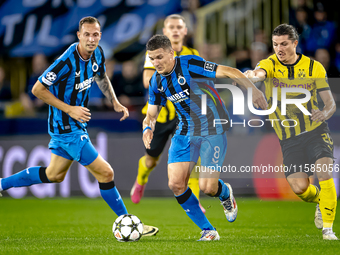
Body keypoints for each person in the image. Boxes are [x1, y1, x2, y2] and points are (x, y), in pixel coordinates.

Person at [0, 16, 157, 237]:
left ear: (99, 35)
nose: (91, 39)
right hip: (66, 127)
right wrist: (69, 109)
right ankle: (129, 223)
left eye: (95, 35)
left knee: (54, 175)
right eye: (87, 35)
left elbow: (102, 76)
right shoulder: (65, 61)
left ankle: (1, 184)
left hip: (76, 126)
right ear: (79, 35)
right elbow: (37, 90)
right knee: (106, 172)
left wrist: (114, 100)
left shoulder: (99, 53)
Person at [142, 34, 267, 240]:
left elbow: (230, 71)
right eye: (152, 59)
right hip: (184, 132)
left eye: (159, 57)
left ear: (171, 53)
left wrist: (252, 90)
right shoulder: (156, 82)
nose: (156, 63)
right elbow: (151, 114)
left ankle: (225, 193)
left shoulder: (190, 63)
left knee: (207, 188)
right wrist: (148, 128)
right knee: (176, 184)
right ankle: (208, 230)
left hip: (212, 128)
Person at [244, 24, 337, 240]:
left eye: (284, 44)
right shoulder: (269, 64)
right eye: (276, 44)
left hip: (315, 130)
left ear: (295, 43)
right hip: (288, 138)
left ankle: (328, 230)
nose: (279, 49)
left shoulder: (315, 68)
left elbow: (330, 104)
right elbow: (258, 73)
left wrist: (325, 113)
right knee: (299, 188)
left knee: (324, 172)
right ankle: (322, 199)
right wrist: (251, 77)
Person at [130, 14, 206, 213]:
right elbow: (148, 81)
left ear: (185, 31)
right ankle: (141, 179)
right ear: (164, 31)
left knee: (193, 158)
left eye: (178, 27)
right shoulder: (155, 54)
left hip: (185, 116)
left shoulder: (192, 53)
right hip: (161, 116)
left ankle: (195, 199)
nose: (175, 30)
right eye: (170, 27)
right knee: (151, 159)